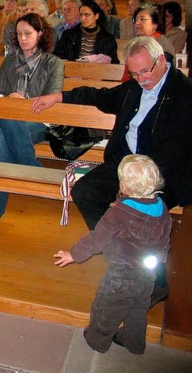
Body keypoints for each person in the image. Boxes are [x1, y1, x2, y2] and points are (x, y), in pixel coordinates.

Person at [32, 36, 192, 306]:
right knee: (85, 191)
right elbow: (98, 96)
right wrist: (58, 96)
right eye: (134, 73)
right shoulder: (133, 88)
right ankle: (121, 255)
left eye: (145, 71)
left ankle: (155, 282)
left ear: (161, 61)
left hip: (164, 174)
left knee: (136, 213)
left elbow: (176, 150)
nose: (141, 79)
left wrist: (135, 182)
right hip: (125, 165)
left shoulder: (184, 94)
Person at [54, 154, 171, 355]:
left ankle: (96, 341)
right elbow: (165, 238)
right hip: (147, 275)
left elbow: (96, 239)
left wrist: (73, 254)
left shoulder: (117, 214)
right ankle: (133, 343)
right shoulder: (161, 208)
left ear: (124, 185)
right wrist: (161, 258)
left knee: (105, 310)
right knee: (137, 313)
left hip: (120, 276)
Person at [0, 13, 63, 224]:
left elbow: (51, 99)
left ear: (40, 34)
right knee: (7, 123)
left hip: (38, 120)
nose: (23, 38)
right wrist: (9, 98)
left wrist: (22, 102)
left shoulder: (53, 63)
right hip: (8, 117)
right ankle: (30, 164)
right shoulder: (9, 62)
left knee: (1, 140)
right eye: (19, 34)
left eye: (28, 33)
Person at [53, 0, 118, 63]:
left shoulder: (107, 39)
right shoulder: (68, 35)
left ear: (96, 16)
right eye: (81, 15)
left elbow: (113, 64)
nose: (83, 18)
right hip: (72, 71)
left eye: (87, 15)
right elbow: (57, 57)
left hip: (97, 72)